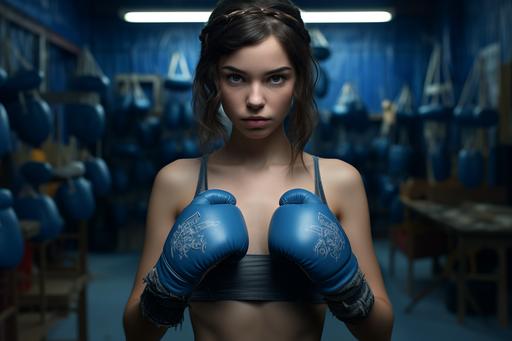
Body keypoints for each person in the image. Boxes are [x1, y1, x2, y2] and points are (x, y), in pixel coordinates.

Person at [123, 0, 394, 340]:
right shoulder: (177, 182)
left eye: (275, 78)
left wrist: (346, 285)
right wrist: (167, 284)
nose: (254, 99)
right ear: (214, 80)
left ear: (298, 81)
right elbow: (137, 334)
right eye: (235, 77)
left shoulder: (339, 182)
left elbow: (380, 332)